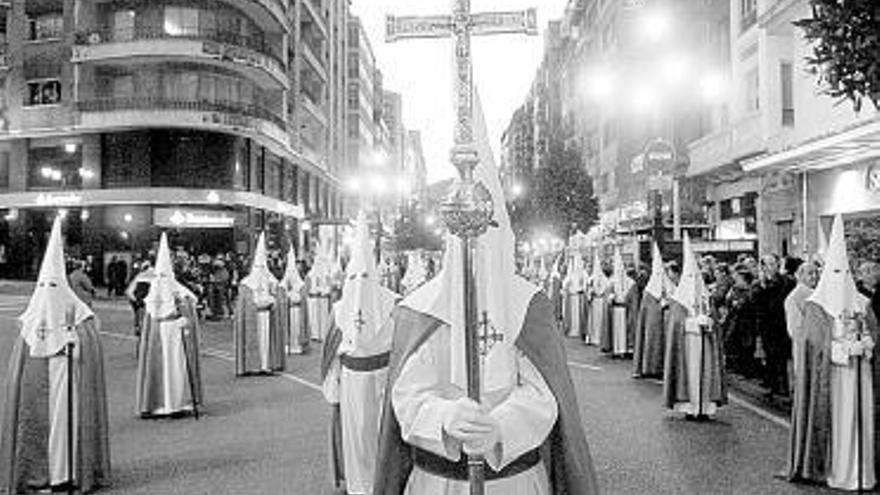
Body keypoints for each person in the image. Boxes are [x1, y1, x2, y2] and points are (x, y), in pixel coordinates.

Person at [373, 91, 598, 494]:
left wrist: (501, 426)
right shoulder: (420, 307)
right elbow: (405, 395)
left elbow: (544, 395)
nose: (477, 243)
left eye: (487, 228)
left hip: (511, 481)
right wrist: (443, 416)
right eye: (466, 230)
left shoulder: (528, 305)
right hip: (437, 482)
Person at [0, 216, 110, 493]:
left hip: (70, 382)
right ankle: (38, 473)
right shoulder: (30, 320)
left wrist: (76, 343)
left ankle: (69, 473)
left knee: (67, 428)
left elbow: (91, 352)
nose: (48, 294)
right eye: (43, 286)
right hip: (38, 391)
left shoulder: (81, 316)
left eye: (53, 286)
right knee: (39, 427)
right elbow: (20, 367)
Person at [790, 215, 876, 490]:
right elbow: (813, 344)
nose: (841, 279)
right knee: (837, 422)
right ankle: (834, 469)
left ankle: (861, 470)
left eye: (845, 273)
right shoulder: (816, 305)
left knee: (859, 422)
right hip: (833, 378)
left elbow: (873, 334)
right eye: (835, 273)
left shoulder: (862, 303)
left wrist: (866, 345)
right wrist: (841, 348)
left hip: (859, 376)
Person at [322, 212, 399, 495]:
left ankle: (385, 483)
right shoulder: (339, 309)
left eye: (365, 276)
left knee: (382, 435)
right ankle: (358, 486)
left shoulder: (394, 305)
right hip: (352, 382)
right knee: (355, 437)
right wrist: (333, 388)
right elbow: (332, 354)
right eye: (354, 277)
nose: (359, 283)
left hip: (383, 381)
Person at [136, 233, 203, 418]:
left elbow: (191, 302)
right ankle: (159, 403)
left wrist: (184, 317)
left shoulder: (179, 291)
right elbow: (149, 310)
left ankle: (178, 402)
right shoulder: (153, 292)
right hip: (159, 334)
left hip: (175, 333)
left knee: (176, 368)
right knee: (159, 368)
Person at [663, 234, 727, 419]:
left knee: (705, 376)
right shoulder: (679, 300)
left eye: (696, 276)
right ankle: (689, 408)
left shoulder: (706, 298)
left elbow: (713, 319)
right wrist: (692, 322)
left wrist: (709, 322)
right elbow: (676, 324)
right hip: (687, 345)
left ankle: (705, 408)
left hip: (705, 342)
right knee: (688, 377)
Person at [782, 260, 819, 481]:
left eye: (816, 273)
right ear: (798, 275)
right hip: (806, 353)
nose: (813, 277)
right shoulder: (795, 298)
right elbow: (796, 330)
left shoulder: (819, 295)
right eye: (809, 273)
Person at [234, 232, 287, 376]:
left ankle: (266, 364)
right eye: (258, 267)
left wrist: (273, 299)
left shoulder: (271, 281)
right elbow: (243, 305)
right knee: (256, 340)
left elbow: (278, 294)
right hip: (254, 316)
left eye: (263, 267)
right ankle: (253, 365)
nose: (261, 271)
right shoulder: (246, 284)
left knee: (266, 341)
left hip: (267, 315)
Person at [755, 254, 795, 398]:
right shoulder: (760, 284)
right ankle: (773, 386)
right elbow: (758, 305)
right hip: (767, 326)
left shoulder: (786, 282)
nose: (770, 267)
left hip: (782, 324)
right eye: (767, 264)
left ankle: (784, 386)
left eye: (773, 263)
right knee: (771, 356)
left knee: (782, 357)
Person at [633, 242, 672, 379]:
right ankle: (649, 367)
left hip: (664, 322)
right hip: (653, 324)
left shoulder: (667, 287)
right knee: (650, 342)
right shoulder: (649, 291)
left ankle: (658, 368)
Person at [608, 244, 638, 357]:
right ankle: (616, 349)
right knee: (617, 331)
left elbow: (633, 300)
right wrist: (611, 298)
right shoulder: (612, 282)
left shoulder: (631, 283)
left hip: (625, 310)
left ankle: (626, 349)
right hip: (616, 309)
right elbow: (609, 295)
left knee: (625, 330)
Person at [280, 246, 310, 355]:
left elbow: (303, 298)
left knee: (297, 328)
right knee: (289, 328)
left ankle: (298, 346)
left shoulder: (300, 285)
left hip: (297, 310)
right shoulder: (283, 285)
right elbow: (281, 298)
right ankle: (287, 345)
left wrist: (298, 299)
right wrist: (287, 298)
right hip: (288, 310)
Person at [587, 250, 610, 347]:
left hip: (601, 302)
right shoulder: (592, 279)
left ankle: (600, 338)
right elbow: (588, 291)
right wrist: (590, 293)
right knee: (594, 321)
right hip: (595, 302)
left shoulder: (605, 279)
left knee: (601, 320)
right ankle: (593, 338)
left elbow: (607, 290)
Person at [563, 254, 587, 339]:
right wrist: (567, 287)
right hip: (572, 296)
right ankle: (572, 329)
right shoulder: (571, 274)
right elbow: (565, 283)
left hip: (579, 297)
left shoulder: (583, 273)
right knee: (573, 315)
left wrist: (580, 289)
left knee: (579, 314)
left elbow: (584, 285)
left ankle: (579, 330)